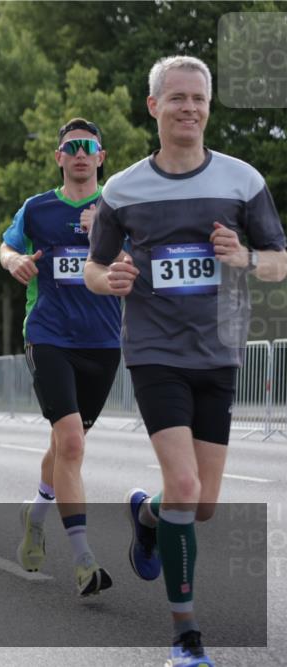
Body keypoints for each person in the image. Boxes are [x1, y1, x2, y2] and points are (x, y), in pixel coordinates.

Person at [85, 55, 287, 667]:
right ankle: (185, 638)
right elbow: (94, 268)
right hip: (154, 353)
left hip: (220, 355)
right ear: (154, 107)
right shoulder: (120, 190)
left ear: (208, 105)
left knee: (199, 505)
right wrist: (111, 277)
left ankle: (146, 518)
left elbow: (280, 260)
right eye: (177, 98)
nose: (190, 108)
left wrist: (245, 258)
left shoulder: (242, 180)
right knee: (185, 484)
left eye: (198, 98)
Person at [0, 118, 121, 596]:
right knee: (71, 442)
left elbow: (144, 259)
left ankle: (38, 511)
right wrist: (14, 262)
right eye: (71, 147)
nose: (80, 154)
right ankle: (85, 561)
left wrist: (105, 233)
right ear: (59, 157)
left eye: (88, 146)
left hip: (104, 341)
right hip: (49, 335)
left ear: (101, 157)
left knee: (64, 441)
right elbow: (7, 245)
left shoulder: (118, 206)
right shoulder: (37, 209)